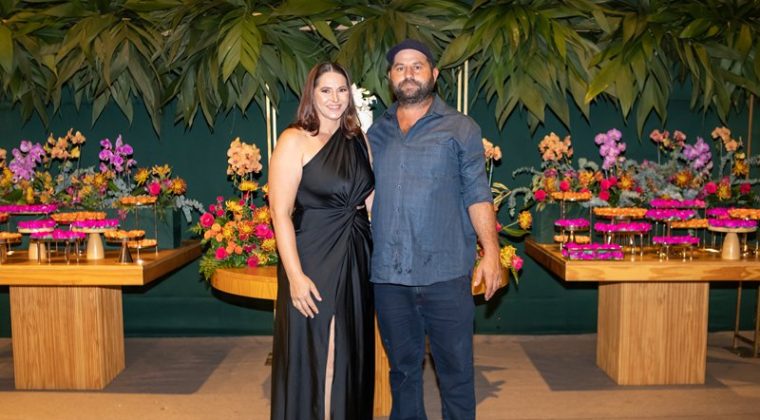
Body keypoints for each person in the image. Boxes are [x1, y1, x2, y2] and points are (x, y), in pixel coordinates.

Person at [368, 39, 502, 420]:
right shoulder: (375, 134)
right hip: (390, 277)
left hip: (446, 275)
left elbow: (477, 193)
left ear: (434, 74)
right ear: (390, 77)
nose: (408, 74)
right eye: (400, 67)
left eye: (417, 66)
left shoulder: (461, 128)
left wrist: (491, 252)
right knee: (403, 373)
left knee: (456, 375)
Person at [269, 62, 375, 420]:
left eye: (342, 90)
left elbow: (371, 201)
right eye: (326, 90)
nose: (335, 98)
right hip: (313, 255)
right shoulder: (293, 139)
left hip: (358, 253)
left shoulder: (358, 139)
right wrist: (295, 276)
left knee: (350, 351)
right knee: (321, 352)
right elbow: (280, 213)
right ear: (311, 95)